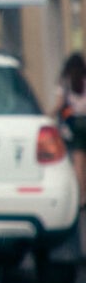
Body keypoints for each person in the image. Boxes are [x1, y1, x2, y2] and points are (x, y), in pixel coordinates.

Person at [52, 51, 86, 209]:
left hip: (75, 123)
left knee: (78, 162)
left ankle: (82, 197)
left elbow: (60, 105)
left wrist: (48, 114)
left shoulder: (65, 81)